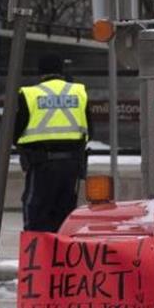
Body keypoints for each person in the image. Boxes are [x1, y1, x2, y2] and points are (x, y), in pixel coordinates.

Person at [15, 53, 92, 232]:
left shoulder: (30, 94)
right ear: (61, 71)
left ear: (40, 72)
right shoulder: (79, 92)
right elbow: (90, 130)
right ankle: (62, 255)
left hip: (41, 164)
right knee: (65, 215)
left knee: (35, 211)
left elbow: (16, 132)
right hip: (72, 164)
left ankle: (37, 255)